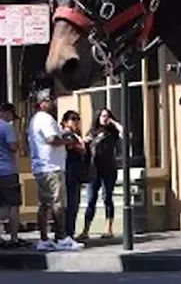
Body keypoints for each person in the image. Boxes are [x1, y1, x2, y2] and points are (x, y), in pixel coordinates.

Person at [27, 86, 83, 251]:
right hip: (51, 167)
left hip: (42, 167)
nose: (53, 102)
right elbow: (52, 139)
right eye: (50, 99)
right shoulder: (45, 119)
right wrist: (68, 142)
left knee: (44, 204)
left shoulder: (35, 119)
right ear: (42, 103)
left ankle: (44, 239)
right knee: (58, 203)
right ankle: (62, 238)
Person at [79, 107, 121, 240]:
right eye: (103, 116)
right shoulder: (92, 132)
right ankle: (85, 230)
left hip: (108, 169)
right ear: (98, 117)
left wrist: (114, 122)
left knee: (107, 197)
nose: (105, 118)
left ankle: (109, 229)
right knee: (91, 200)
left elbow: (124, 133)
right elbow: (84, 149)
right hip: (93, 170)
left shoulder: (112, 132)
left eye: (107, 116)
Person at [0, 102, 27, 249]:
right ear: (6, 112)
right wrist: (18, 144)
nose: (11, 119)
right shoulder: (6, 127)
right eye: (11, 115)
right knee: (13, 205)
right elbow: (12, 147)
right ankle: (14, 238)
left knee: (1, 205)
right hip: (7, 170)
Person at [60, 111, 88, 239]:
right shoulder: (66, 134)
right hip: (69, 172)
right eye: (73, 119)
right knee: (71, 204)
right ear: (65, 121)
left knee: (74, 204)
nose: (76, 122)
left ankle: (69, 232)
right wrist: (81, 143)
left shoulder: (75, 135)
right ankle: (67, 233)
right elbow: (75, 147)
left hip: (76, 173)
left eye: (77, 119)